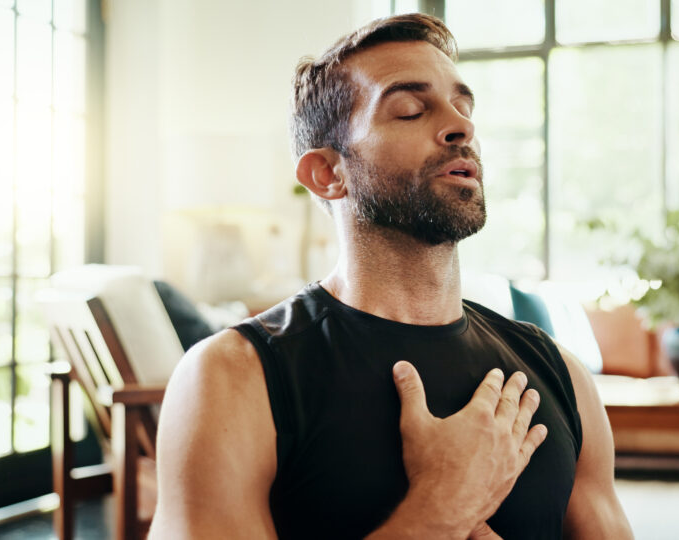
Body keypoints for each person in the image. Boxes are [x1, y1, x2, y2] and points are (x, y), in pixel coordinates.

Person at [150, 13, 633, 540]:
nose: (461, 126)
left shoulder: (559, 372)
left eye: (463, 106)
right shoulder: (230, 379)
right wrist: (438, 509)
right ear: (328, 174)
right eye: (409, 110)